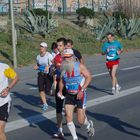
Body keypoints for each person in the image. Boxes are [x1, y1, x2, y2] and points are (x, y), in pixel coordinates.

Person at [58, 48, 95, 140]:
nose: (66, 59)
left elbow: (89, 77)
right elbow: (62, 80)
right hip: (69, 95)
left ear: (73, 57)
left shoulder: (80, 66)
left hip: (80, 94)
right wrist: (60, 90)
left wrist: (82, 90)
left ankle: (88, 124)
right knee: (68, 117)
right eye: (65, 57)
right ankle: (75, 138)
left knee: (80, 120)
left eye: (68, 57)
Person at [0, 62, 19, 140]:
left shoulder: (4, 67)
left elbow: (16, 77)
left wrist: (8, 89)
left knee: (0, 130)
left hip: (3, 102)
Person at [53, 37, 67, 138]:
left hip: (70, 85)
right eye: (57, 45)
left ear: (65, 46)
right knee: (58, 108)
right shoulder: (56, 57)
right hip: (59, 84)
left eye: (60, 45)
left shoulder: (71, 57)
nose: (58, 47)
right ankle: (60, 130)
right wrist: (52, 71)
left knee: (70, 108)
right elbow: (54, 70)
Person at [34, 42, 53, 111]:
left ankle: (52, 92)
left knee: (47, 91)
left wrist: (48, 66)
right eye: (40, 46)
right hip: (41, 74)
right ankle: (45, 104)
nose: (41, 48)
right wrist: (36, 66)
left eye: (42, 47)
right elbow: (38, 64)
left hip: (48, 75)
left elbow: (53, 63)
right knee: (40, 89)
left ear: (45, 48)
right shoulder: (38, 56)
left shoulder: (49, 55)